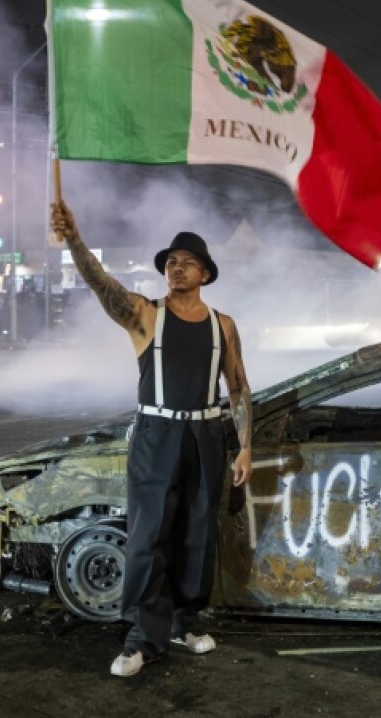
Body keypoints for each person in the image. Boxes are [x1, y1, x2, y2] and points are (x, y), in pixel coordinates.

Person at [50, 198, 253, 679]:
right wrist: (75, 240)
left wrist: (246, 446)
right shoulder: (144, 315)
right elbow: (100, 283)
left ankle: (184, 622)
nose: (176, 269)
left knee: (196, 536)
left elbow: (239, 388)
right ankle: (142, 637)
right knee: (148, 537)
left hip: (206, 433)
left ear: (205, 273)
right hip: (157, 433)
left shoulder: (223, 325)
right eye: (171, 263)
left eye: (187, 263)